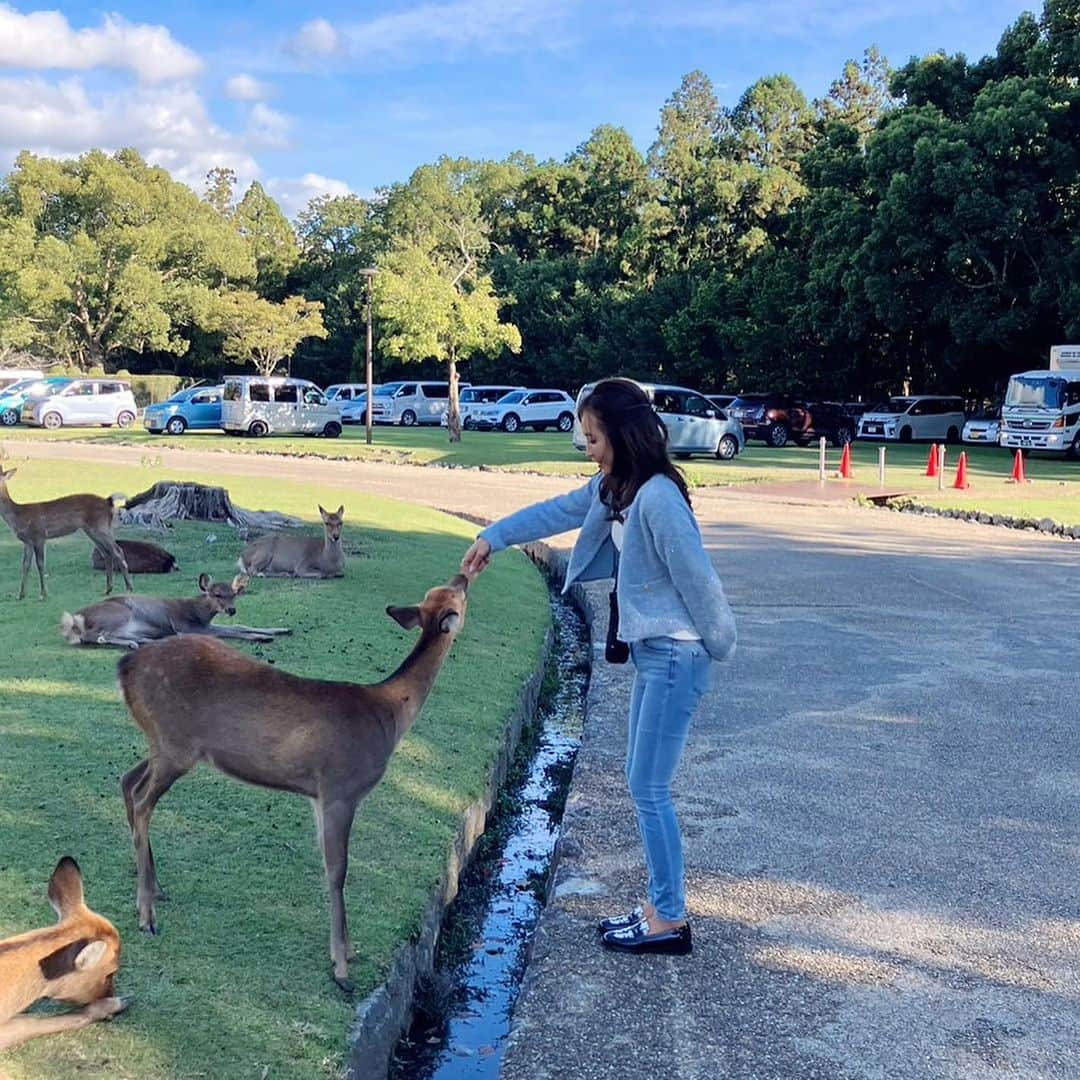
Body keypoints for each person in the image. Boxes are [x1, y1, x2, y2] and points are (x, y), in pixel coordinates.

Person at [461, 378, 736, 956]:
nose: (584, 444)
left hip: (677, 654)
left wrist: (718, 643)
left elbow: (699, 577)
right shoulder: (619, 488)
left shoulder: (658, 497)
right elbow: (555, 511)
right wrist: (495, 537)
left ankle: (669, 918)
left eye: (592, 435)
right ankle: (662, 908)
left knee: (649, 787)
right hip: (655, 653)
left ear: (620, 433)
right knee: (644, 785)